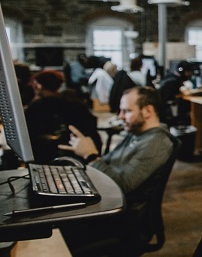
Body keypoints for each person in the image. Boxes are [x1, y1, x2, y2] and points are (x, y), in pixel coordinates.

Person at [58, 87, 176, 255]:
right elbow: (107, 163)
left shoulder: (157, 143)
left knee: (59, 232)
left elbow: (123, 185)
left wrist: (90, 155)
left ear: (148, 110)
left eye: (126, 111)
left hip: (122, 222)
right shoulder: (137, 133)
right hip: (109, 207)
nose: (120, 116)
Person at [23, 70, 102, 164]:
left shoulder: (34, 108)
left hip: (44, 159)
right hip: (79, 157)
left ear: (39, 85)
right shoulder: (77, 105)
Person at [157, 60, 193, 126]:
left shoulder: (170, 76)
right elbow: (177, 95)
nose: (189, 75)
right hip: (167, 111)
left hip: (161, 110)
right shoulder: (174, 82)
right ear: (183, 72)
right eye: (188, 72)